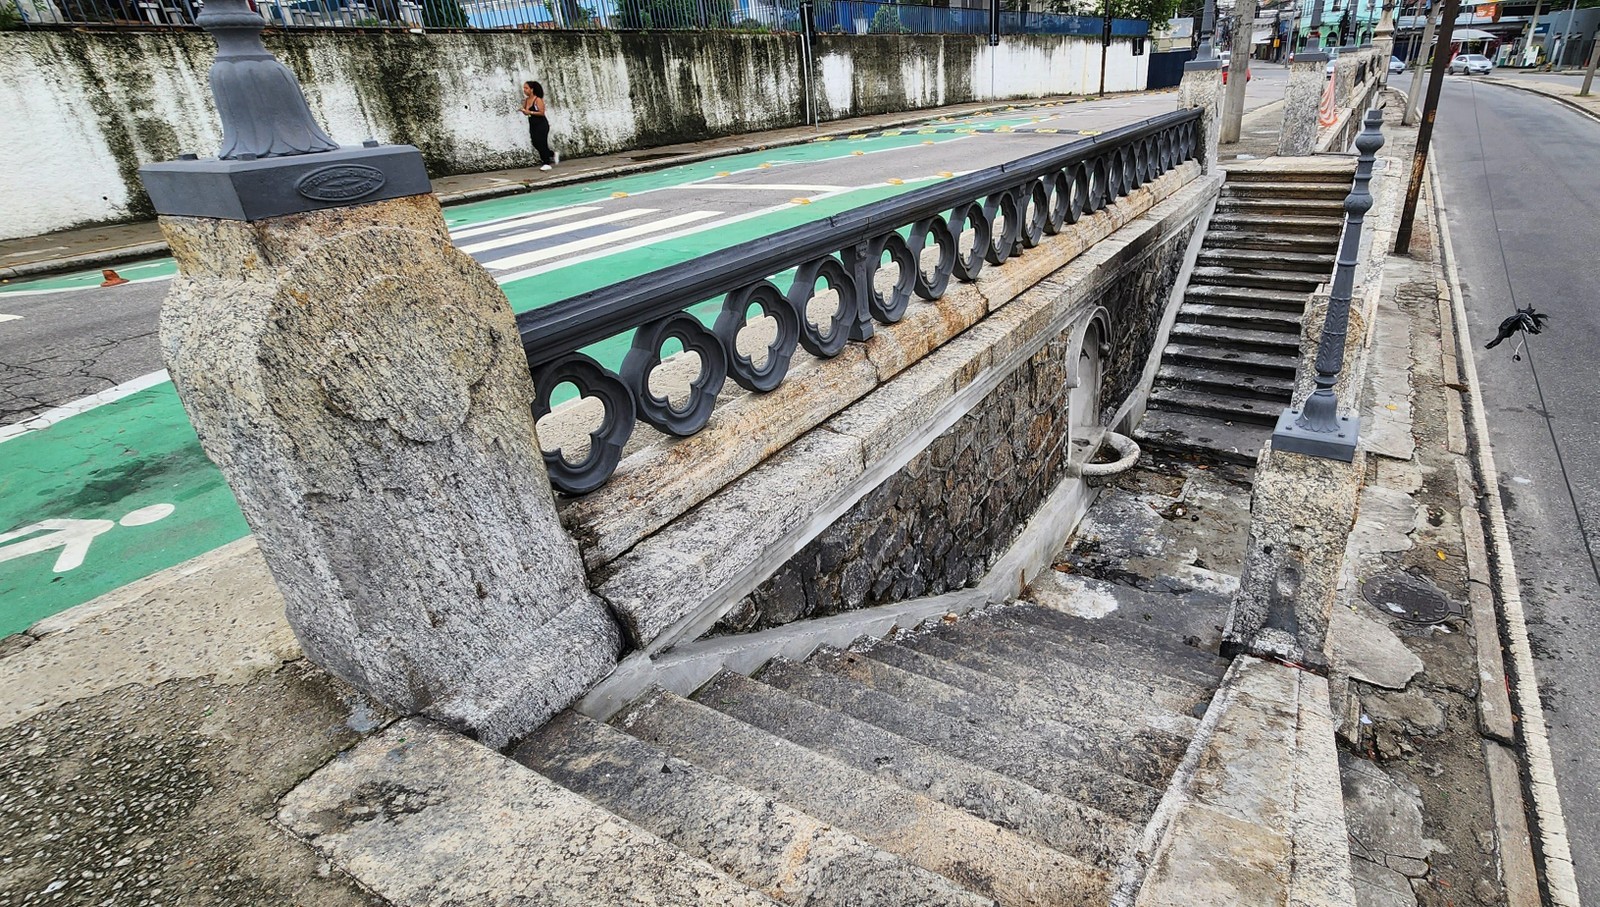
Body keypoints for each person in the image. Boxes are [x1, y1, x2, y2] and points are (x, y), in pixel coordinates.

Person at [520, 80, 559, 172]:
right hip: (532, 124)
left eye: (526, 88)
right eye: (524, 88)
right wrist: (523, 110)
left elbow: (541, 112)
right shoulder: (526, 100)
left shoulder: (537, 100)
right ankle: (551, 154)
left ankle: (546, 162)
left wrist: (530, 112)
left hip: (541, 124)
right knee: (535, 142)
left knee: (542, 142)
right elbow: (526, 113)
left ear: (532, 89)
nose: (524, 90)